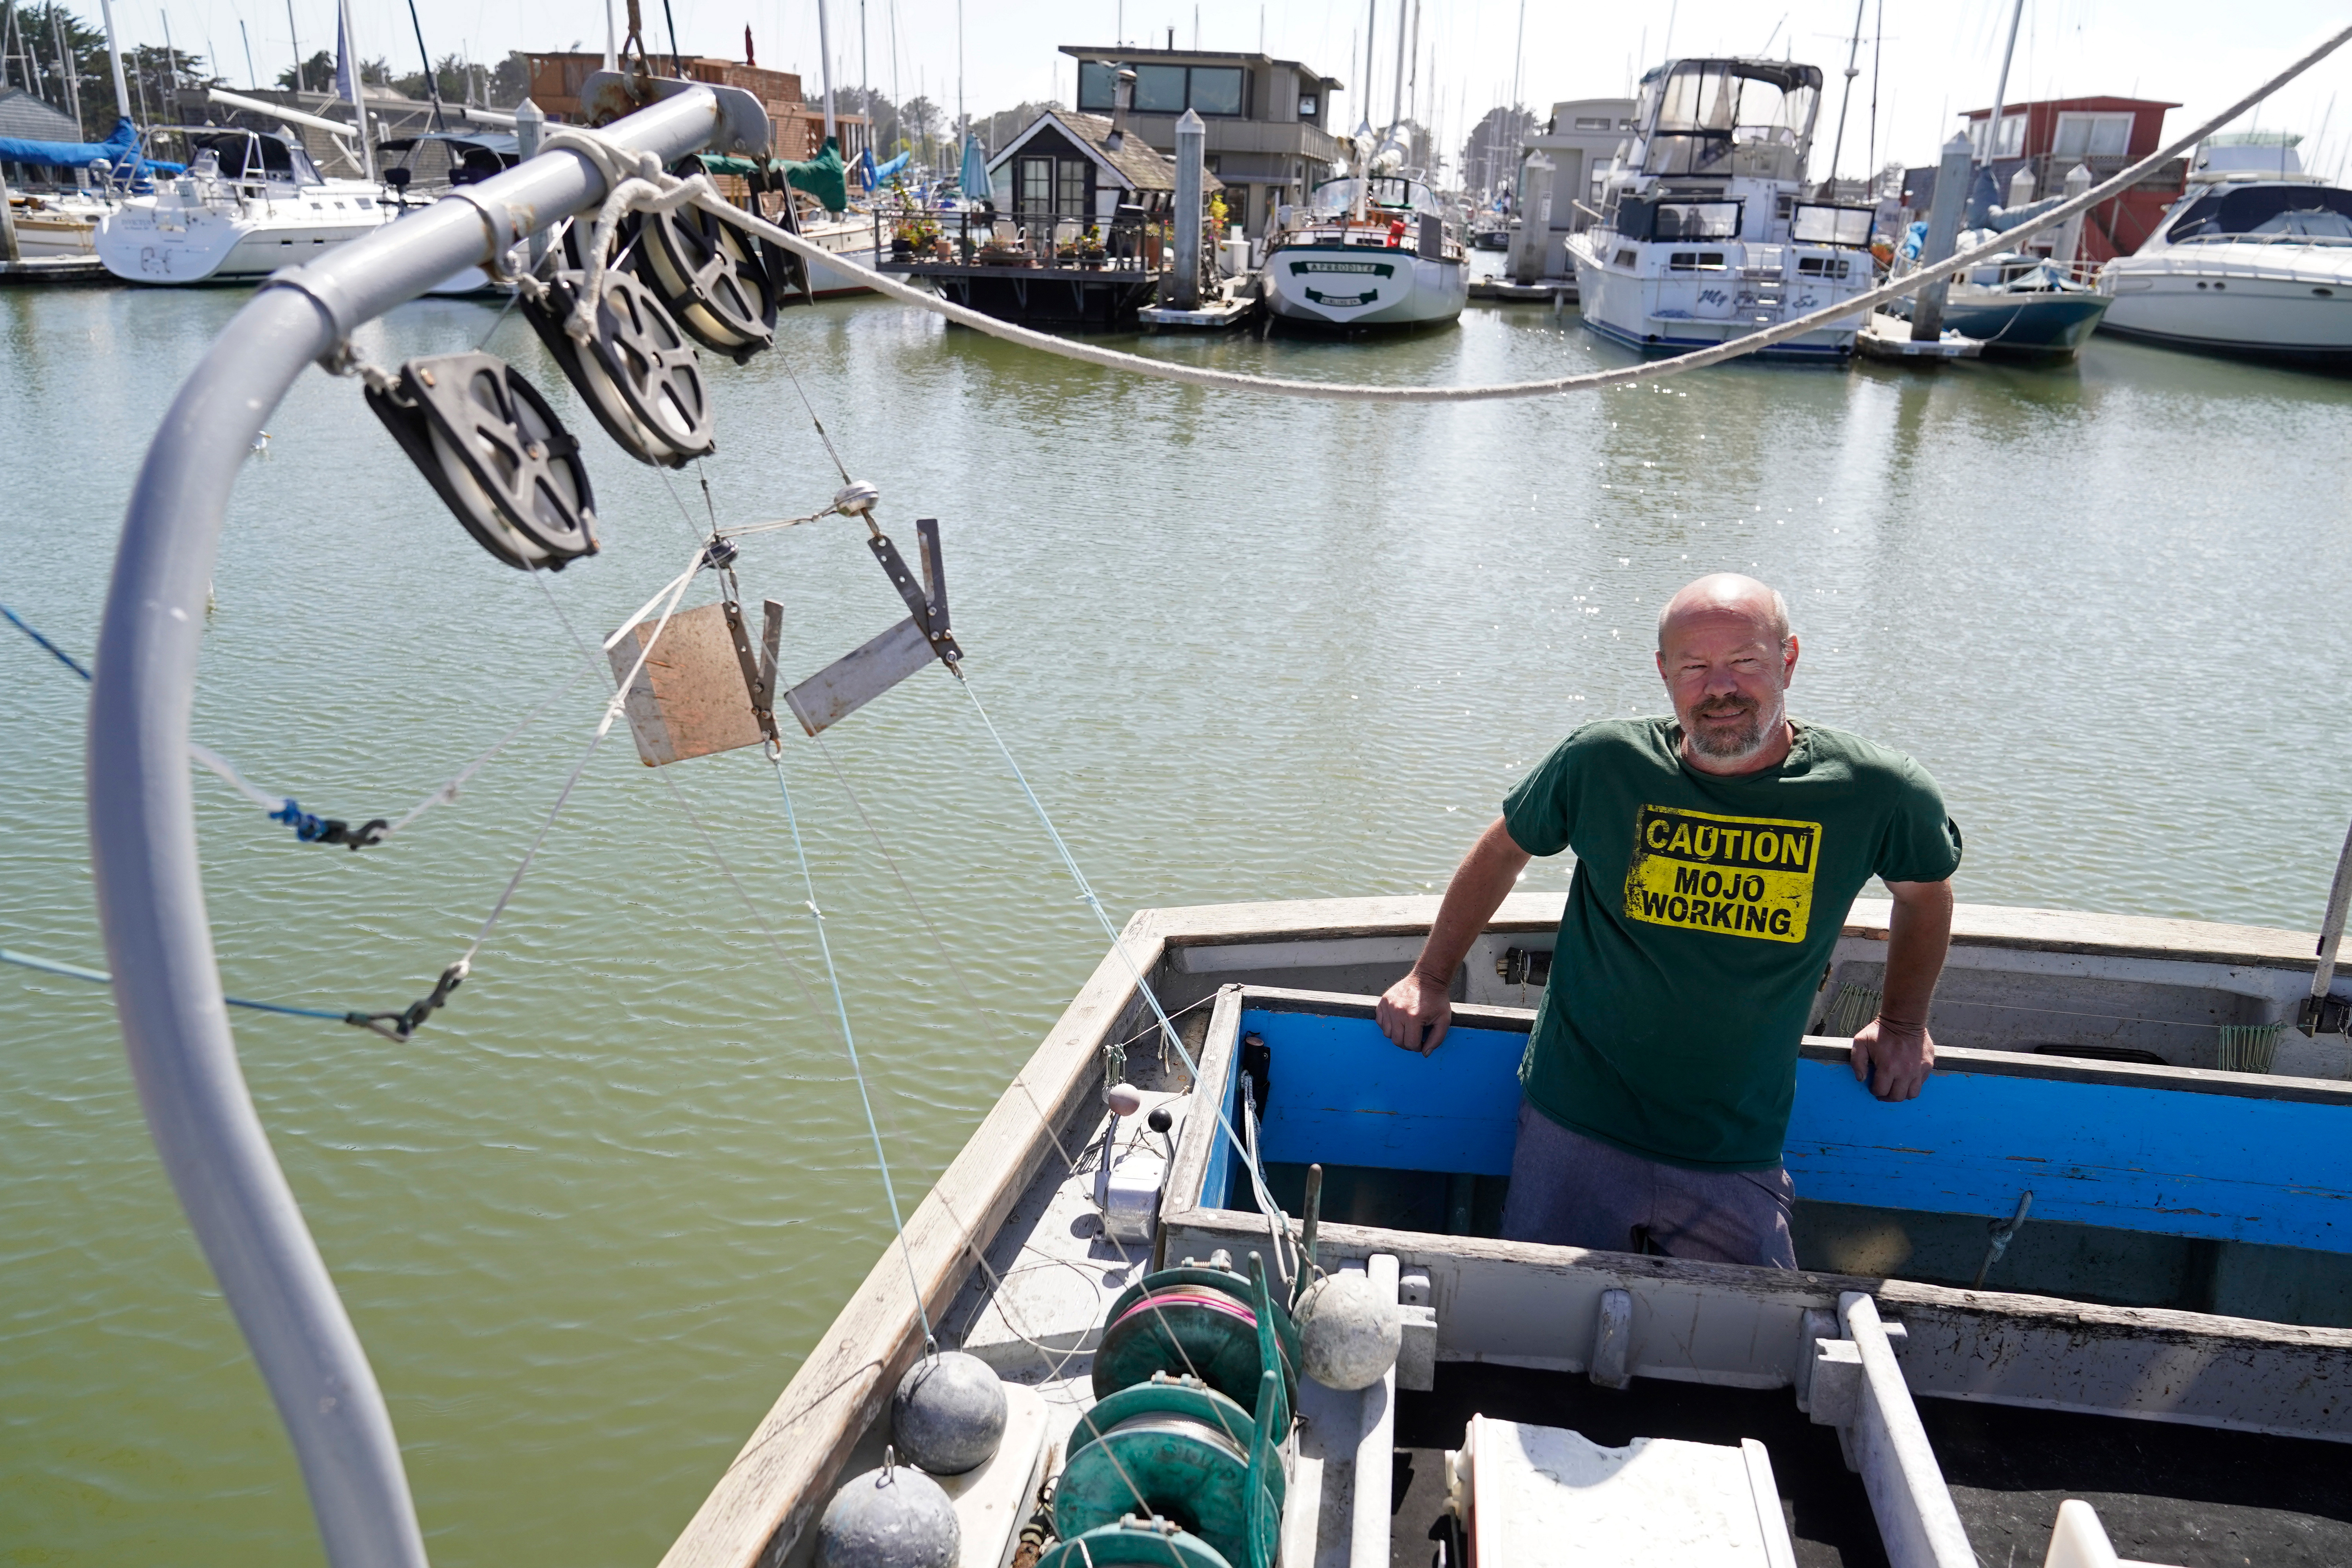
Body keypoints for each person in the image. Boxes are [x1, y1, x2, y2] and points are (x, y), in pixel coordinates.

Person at [1375, 573, 1962, 1268]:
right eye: (1694, 667)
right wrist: (1430, 976)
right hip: (1576, 1120)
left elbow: (1925, 893)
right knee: (1531, 1327)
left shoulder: (1876, 791)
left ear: (1789, 660)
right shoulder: (1604, 761)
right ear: (1664, 673)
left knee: (1758, 1354)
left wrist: (1901, 1024)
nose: (1721, 688)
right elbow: (1506, 848)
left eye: (1745, 661)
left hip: (1733, 1146)